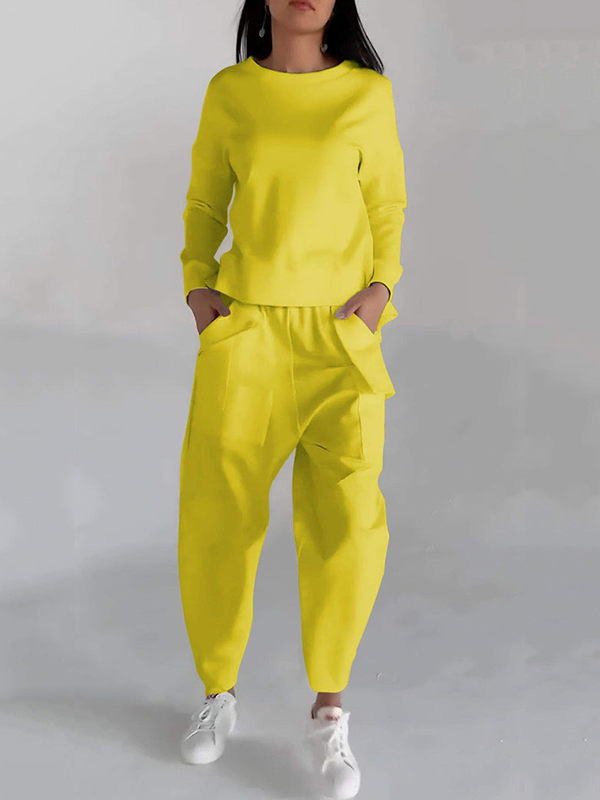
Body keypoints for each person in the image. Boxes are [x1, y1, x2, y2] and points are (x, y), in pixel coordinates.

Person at [177, 1, 407, 796]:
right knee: (219, 511)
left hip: (340, 334)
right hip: (247, 332)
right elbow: (205, 200)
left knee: (348, 521)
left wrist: (382, 288)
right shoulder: (231, 91)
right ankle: (217, 693)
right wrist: (197, 286)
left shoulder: (366, 94)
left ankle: (330, 711)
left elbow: (386, 204)